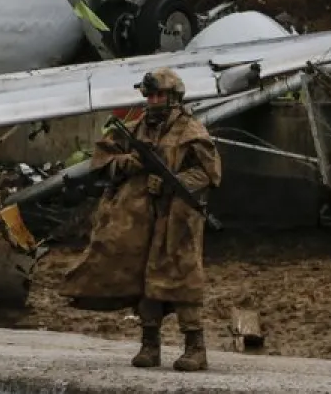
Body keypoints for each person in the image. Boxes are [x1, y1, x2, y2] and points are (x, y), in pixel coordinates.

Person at [59, 68, 222, 372]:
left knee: (181, 275)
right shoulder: (134, 130)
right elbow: (102, 160)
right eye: (150, 95)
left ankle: (195, 347)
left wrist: (174, 182)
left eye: (160, 95)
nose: (154, 101)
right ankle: (150, 345)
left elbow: (208, 173)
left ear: (174, 98)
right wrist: (127, 164)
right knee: (142, 277)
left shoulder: (192, 132)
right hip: (138, 218)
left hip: (177, 219)